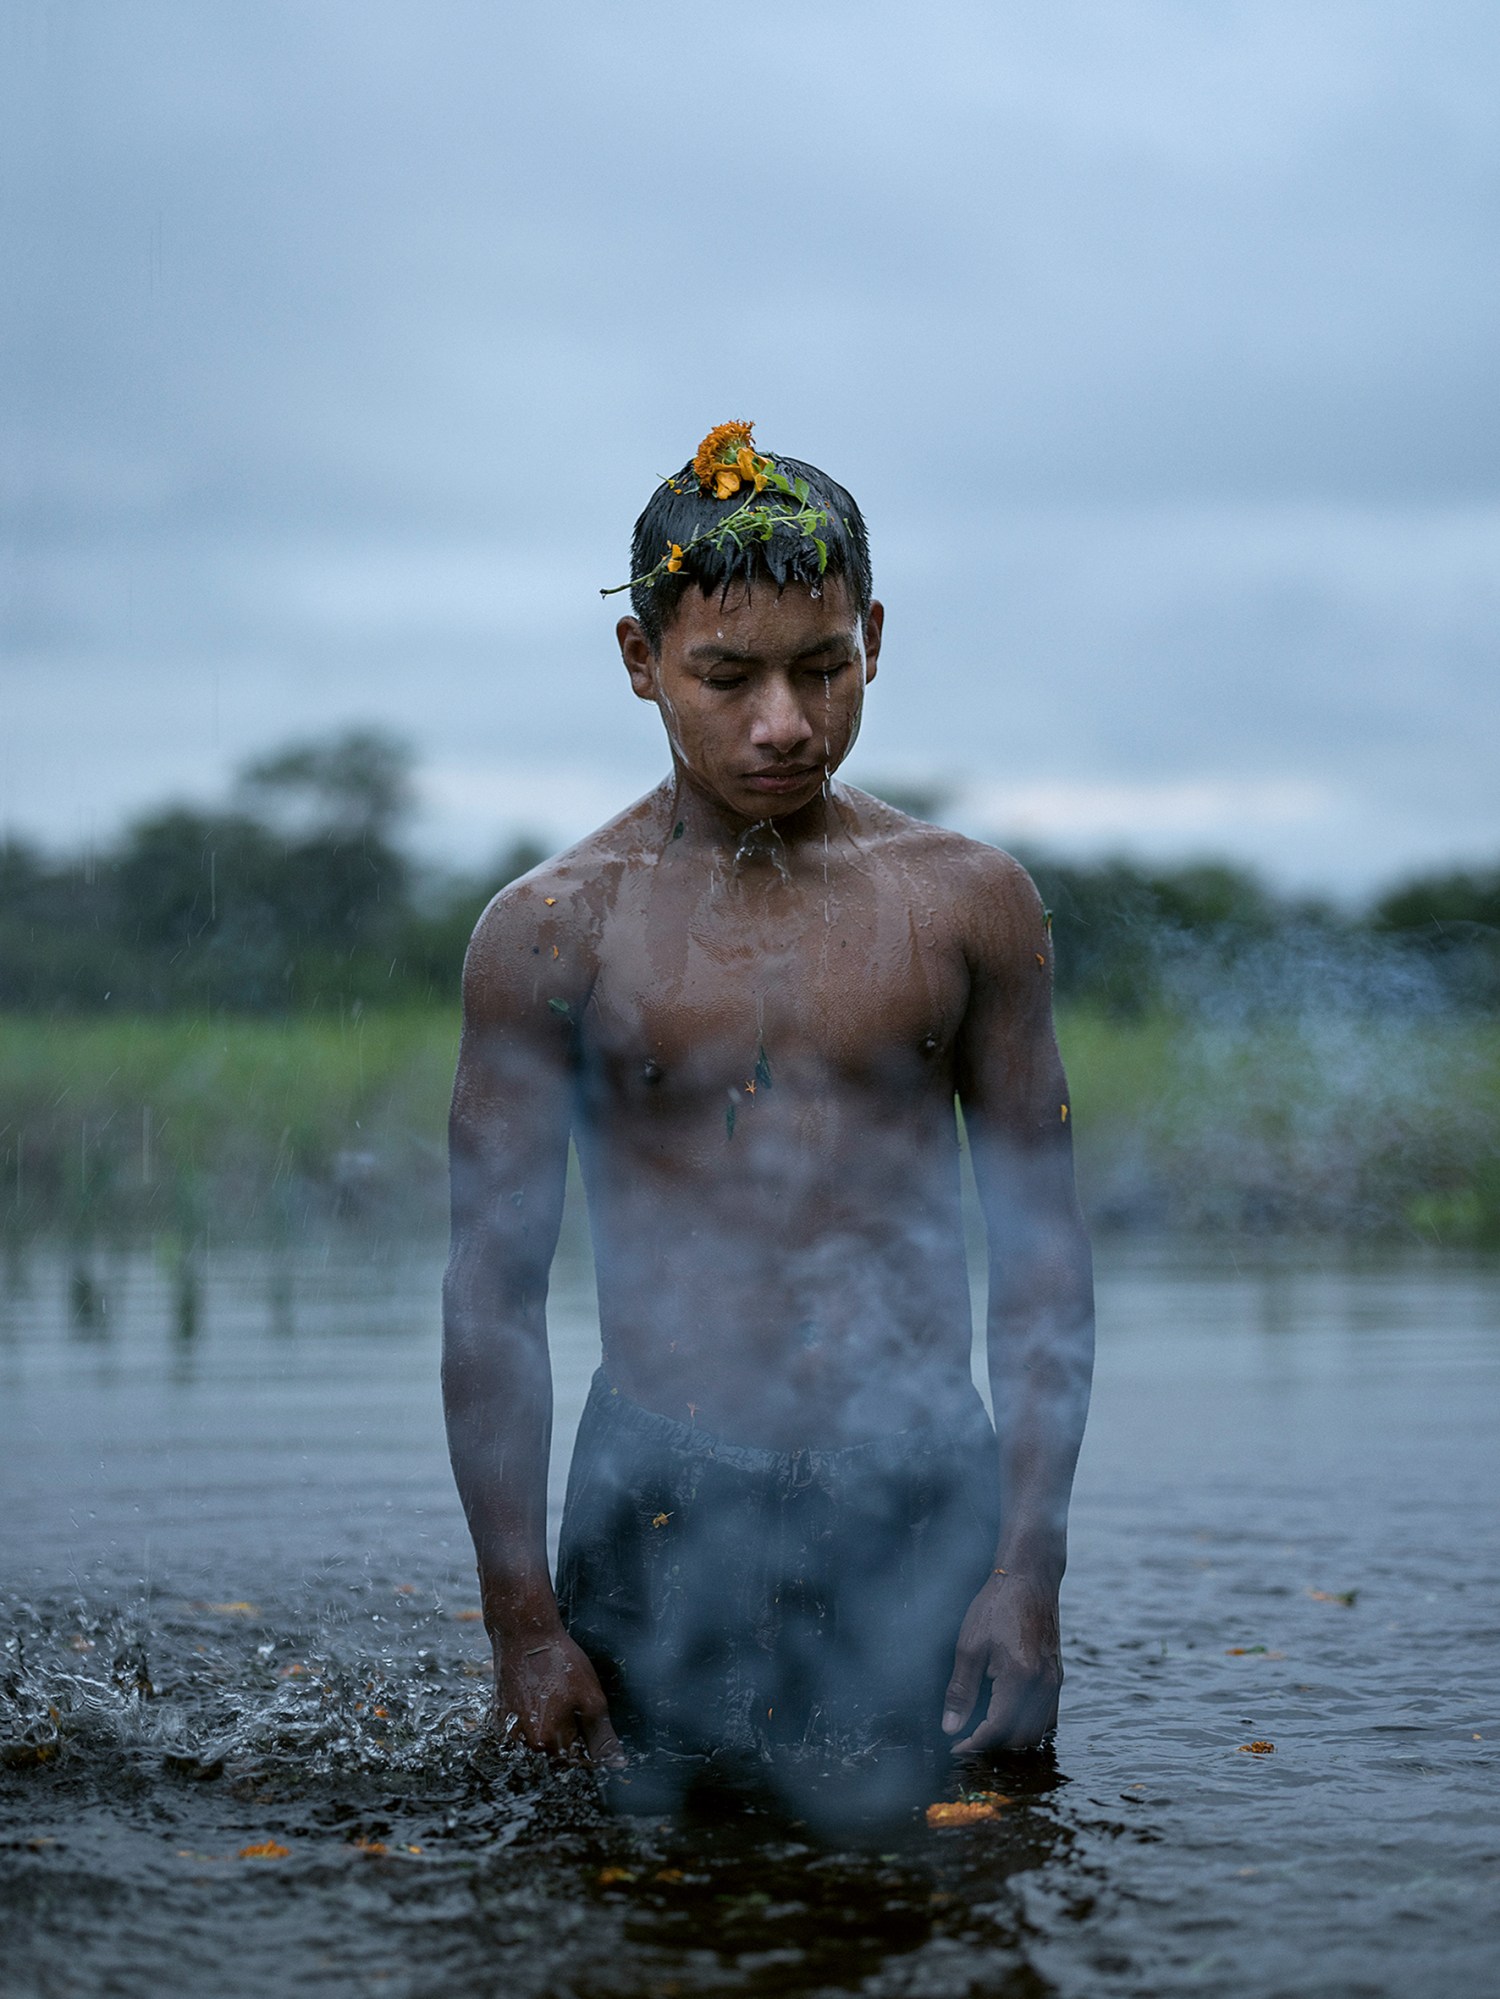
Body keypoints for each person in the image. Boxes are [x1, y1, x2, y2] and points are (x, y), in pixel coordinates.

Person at [442, 422, 1094, 1813]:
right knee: (636, 1904)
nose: (783, 722)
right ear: (641, 663)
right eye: (728, 677)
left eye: (824, 668)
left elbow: (1042, 1269)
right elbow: (492, 1300)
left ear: (873, 636)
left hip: (922, 1498)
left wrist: (1027, 1568)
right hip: (661, 1497)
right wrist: (525, 1622)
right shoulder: (555, 930)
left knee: (972, 1889)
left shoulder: (968, 904)